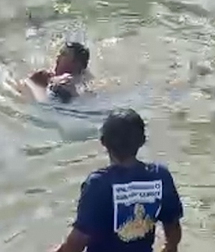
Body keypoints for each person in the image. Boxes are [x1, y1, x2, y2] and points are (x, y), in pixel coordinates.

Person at [52, 108, 183, 252]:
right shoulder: (160, 176)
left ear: (103, 142)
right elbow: (173, 228)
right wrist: (169, 247)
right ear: (142, 141)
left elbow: (77, 243)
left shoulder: (98, 184)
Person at [13, 41, 92, 103]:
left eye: (64, 54)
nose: (58, 56)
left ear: (76, 64)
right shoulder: (44, 76)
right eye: (60, 53)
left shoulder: (70, 80)